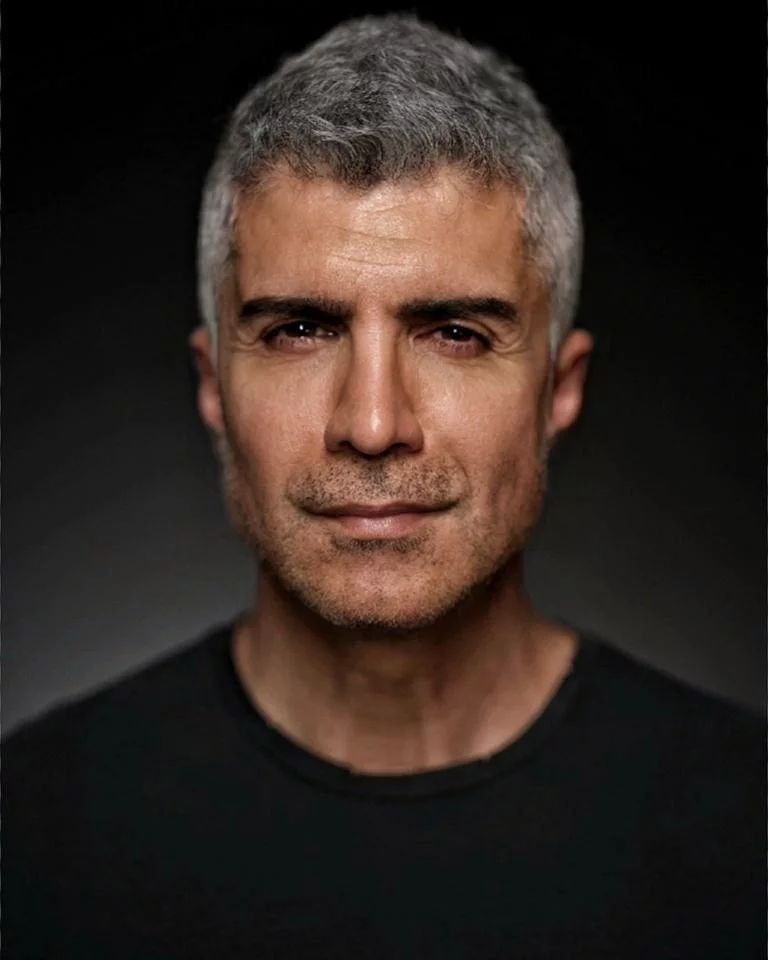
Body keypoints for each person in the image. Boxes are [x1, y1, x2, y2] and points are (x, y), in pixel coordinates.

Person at [3, 14, 763, 959]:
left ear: (558, 391)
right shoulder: (26, 848)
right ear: (212, 386)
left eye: (456, 334)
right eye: (298, 330)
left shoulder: (746, 843)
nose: (371, 424)